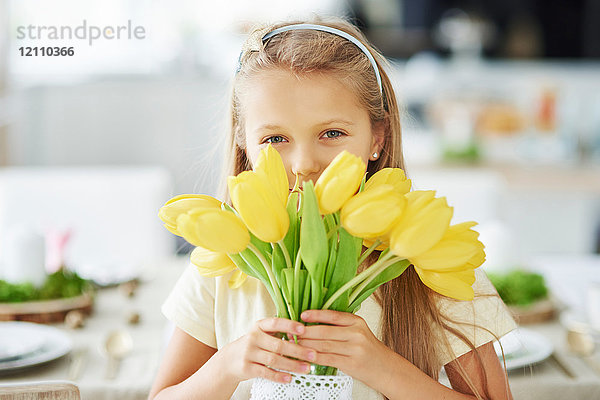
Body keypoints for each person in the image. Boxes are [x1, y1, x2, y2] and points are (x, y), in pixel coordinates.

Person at [148, 16, 516, 400]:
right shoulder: (226, 255)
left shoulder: (428, 250)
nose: (304, 163)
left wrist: (382, 367)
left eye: (332, 134)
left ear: (378, 136)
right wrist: (227, 366)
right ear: (244, 143)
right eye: (275, 138)